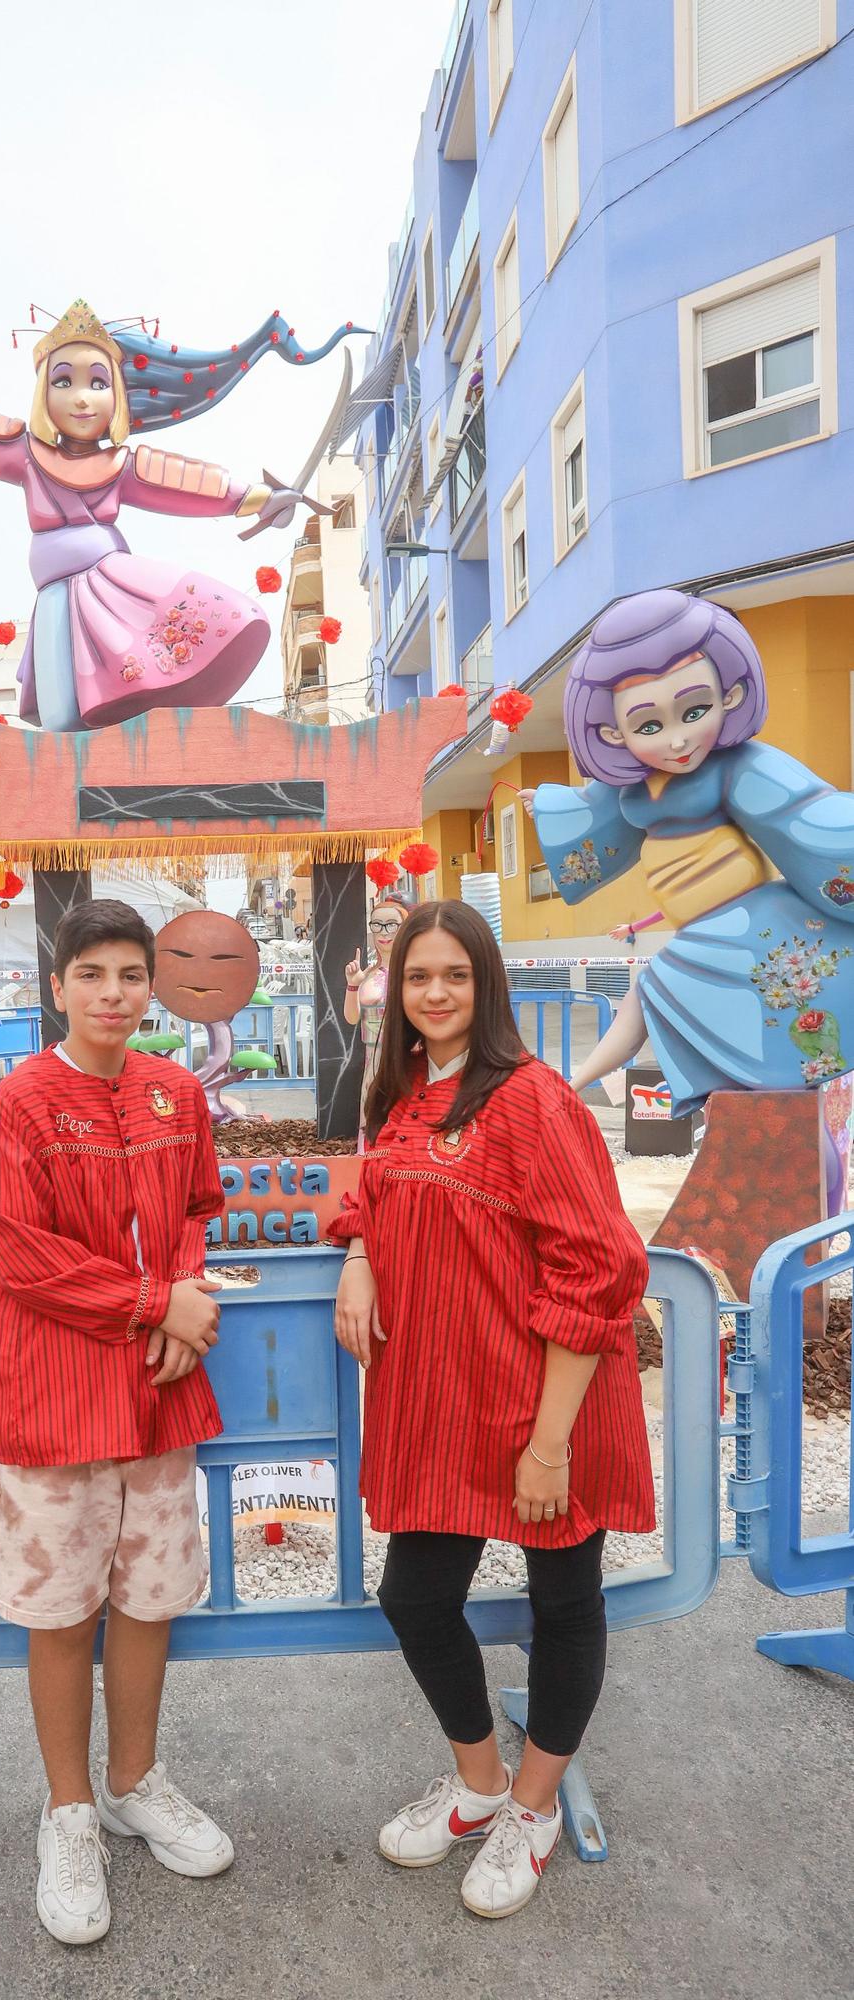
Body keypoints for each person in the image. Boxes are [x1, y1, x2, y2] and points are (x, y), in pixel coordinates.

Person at [332, 899, 654, 1920]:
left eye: (454, 975)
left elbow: (600, 1264)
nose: (434, 993)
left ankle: (534, 1803)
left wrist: (551, 1440)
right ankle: (478, 1782)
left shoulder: (530, 1098)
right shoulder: (401, 1093)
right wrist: (355, 1255)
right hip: (443, 1399)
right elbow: (373, 1191)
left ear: (487, 984)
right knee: (415, 1595)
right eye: (417, 975)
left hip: (545, 1397)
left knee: (564, 1597)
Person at [0, 899, 233, 1945]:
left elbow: (193, 1210)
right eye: (94, 975)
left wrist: (178, 1291)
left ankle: (135, 1779)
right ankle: (68, 1808)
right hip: (53, 1391)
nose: (115, 993)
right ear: (59, 988)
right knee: (58, 1608)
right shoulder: (25, 1099)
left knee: (147, 1596)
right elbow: (20, 1251)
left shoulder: (177, 1091)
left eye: (132, 973)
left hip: (156, 1393)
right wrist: (149, 1302)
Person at [0, 297, 356, 730]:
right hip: (55, 590)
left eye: (97, 382)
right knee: (60, 718)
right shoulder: (22, 453)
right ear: (42, 394)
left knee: (106, 692)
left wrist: (261, 499)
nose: (80, 397)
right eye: (64, 380)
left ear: (116, 394)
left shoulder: (124, 464)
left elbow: (192, 483)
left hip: (113, 586)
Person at [521, 587, 854, 1114]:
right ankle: (572, 1084)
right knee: (650, 995)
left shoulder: (738, 765)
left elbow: (808, 814)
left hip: (751, 920)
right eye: (649, 725)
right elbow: (589, 821)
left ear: (730, 696)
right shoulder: (628, 790)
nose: (677, 740)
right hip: (697, 931)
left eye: (694, 709)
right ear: (612, 731)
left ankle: (575, 1082)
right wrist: (548, 805)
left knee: (674, 994)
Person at [343, 892, 413, 1149]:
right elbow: (351, 1019)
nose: (383, 932)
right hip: (373, 1059)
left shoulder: (414, 973)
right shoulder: (368, 975)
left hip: (409, 1057)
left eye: (391, 925)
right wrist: (353, 986)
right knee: (372, 1116)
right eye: (376, 924)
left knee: (405, 1116)